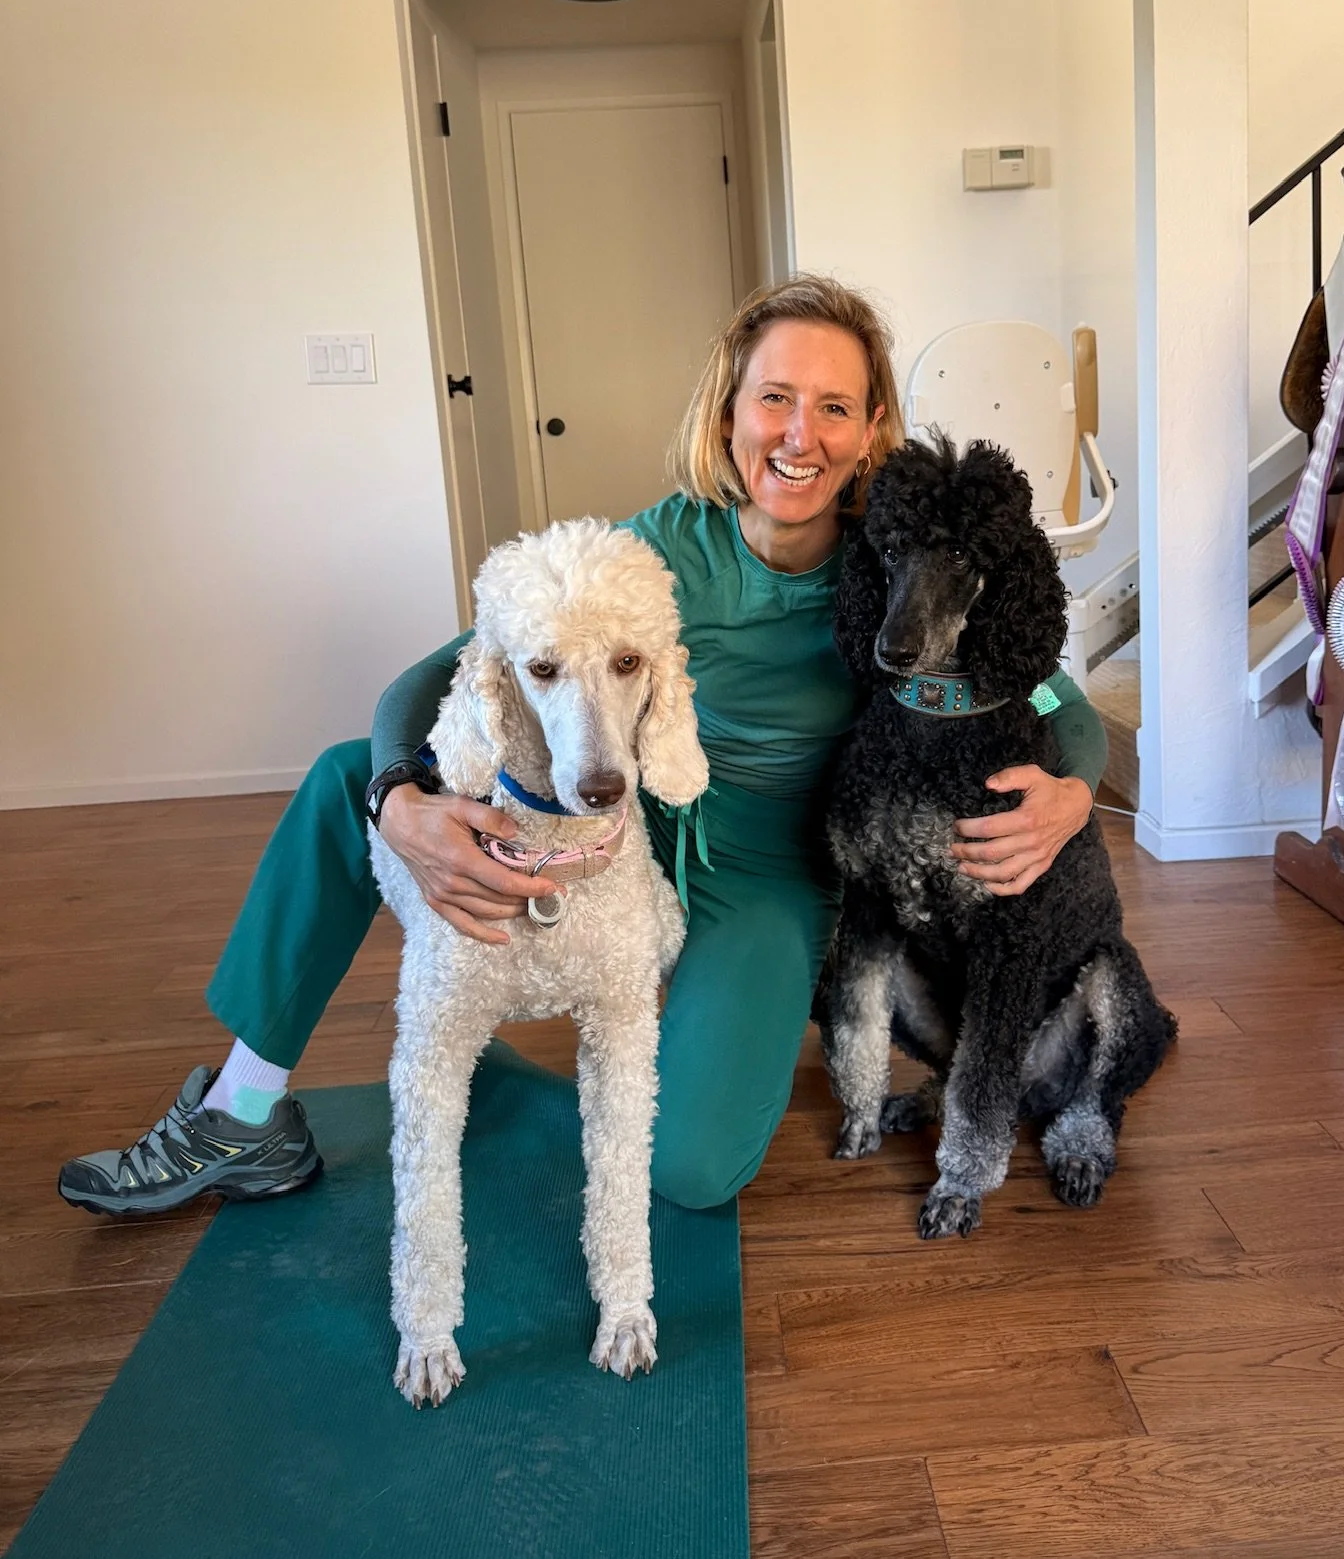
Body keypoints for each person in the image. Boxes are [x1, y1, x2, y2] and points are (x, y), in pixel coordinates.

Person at [59, 276, 1108, 1218]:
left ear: (872, 423)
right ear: (730, 411)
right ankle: (244, 1109)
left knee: (691, 1173)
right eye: (774, 398)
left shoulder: (901, 564)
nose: (800, 434)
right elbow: (431, 679)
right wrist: (396, 796)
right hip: (621, 828)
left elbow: (1064, 707)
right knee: (346, 772)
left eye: (834, 405)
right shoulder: (651, 548)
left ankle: (501, 1077)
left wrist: (1072, 794)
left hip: (771, 876)